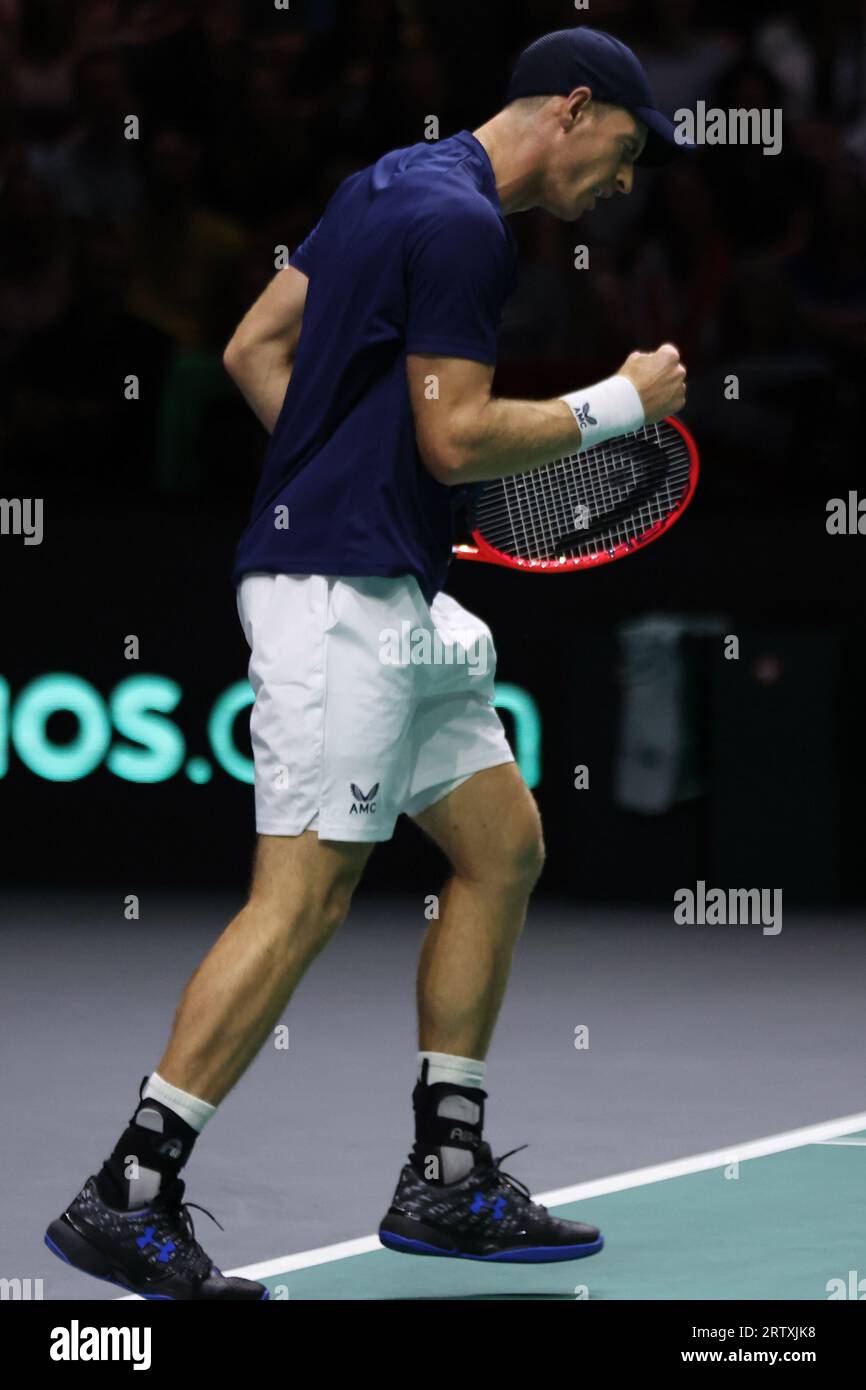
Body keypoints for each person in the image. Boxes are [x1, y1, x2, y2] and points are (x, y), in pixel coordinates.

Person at [45, 26, 687, 1299]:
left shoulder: (386, 181)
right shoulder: (463, 229)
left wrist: (351, 479)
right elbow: (455, 444)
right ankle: (129, 1190)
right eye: (627, 147)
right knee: (301, 902)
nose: (627, 181)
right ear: (572, 105)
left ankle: (446, 1176)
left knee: (502, 846)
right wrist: (620, 400)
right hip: (339, 605)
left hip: (393, 590)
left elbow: (251, 351)